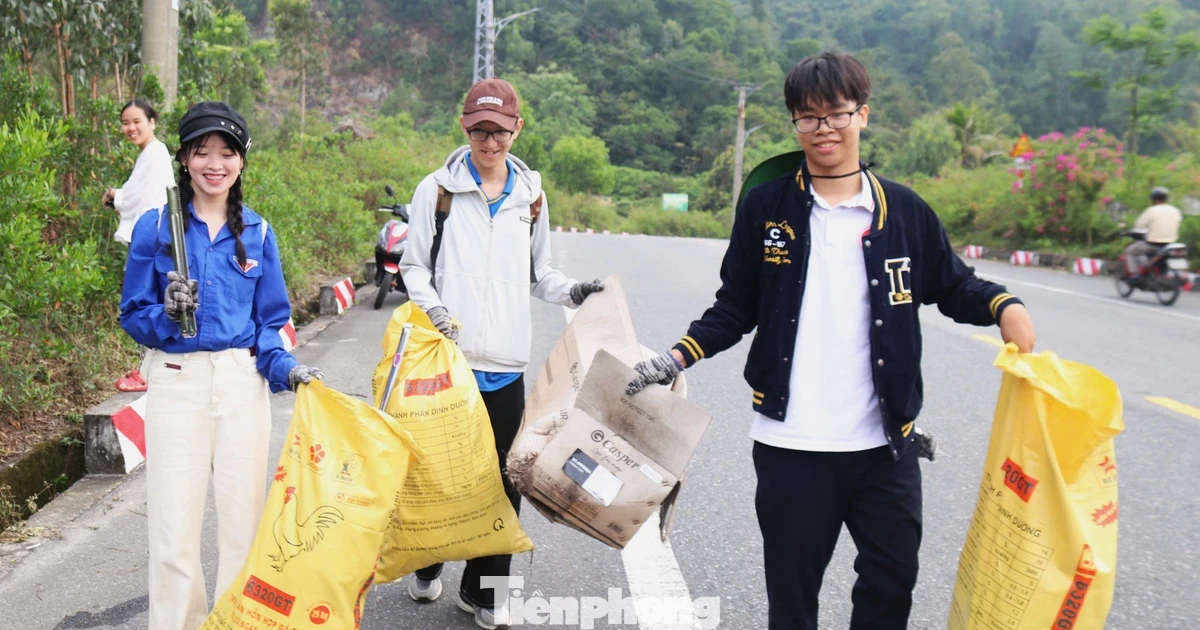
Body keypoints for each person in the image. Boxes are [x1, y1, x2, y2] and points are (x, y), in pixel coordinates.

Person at [625, 52, 1037, 630]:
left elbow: (954, 283)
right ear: (795, 123)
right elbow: (736, 304)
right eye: (808, 117)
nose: (823, 128)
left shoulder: (904, 212)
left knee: (891, 586)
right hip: (792, 446)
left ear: (862, 114)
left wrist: (1003, 305)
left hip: (885, 448)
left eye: (836, 114)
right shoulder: (769, 208)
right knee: (792, 602)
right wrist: (675, 357)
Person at [399, 77, 606, 629]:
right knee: (439, 475)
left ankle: (484, 593)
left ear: (517, 129)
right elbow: (413, 263)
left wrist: (575, 291)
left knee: (503, 480)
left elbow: (541, 274)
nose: (490, 142)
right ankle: (426, 565)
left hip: (506, 367)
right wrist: (434, 309)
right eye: (479, 130)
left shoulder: (530, 196)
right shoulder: (436, 190)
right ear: (464, 127)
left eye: (500, 130)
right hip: (449, 362)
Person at [119, 101, 323, 630]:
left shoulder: (256, 232)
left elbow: (268, 326)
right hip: (176, 383)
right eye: (201, 151)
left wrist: (288, 370)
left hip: (239, 386)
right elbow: (132, 313)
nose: (215, 163)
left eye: (226, 152)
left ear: (241, 162)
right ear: (184, 159)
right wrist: (165, 312)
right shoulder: (155, 225)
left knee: (243, 527)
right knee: (172, 532)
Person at [103, 99, 176, 392]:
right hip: (154, 239)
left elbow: (138, 197)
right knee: (150, 302)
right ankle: (148, 368)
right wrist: (121, 198)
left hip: (153, 242)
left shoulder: (155, 153)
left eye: (137, 121)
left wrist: (114, 196)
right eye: (125, 122)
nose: (131, 128)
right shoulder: (150, 154)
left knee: (145, 303)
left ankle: (148, 373)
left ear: (152, 122)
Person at [1125, 186, 1183, 277]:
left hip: (1153, 244)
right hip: (1170, 245)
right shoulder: (1175, 211)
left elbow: (1139, 225)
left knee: (1130, 250)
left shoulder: (1151, 210)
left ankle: (1134, 274)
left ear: (1154, 199)